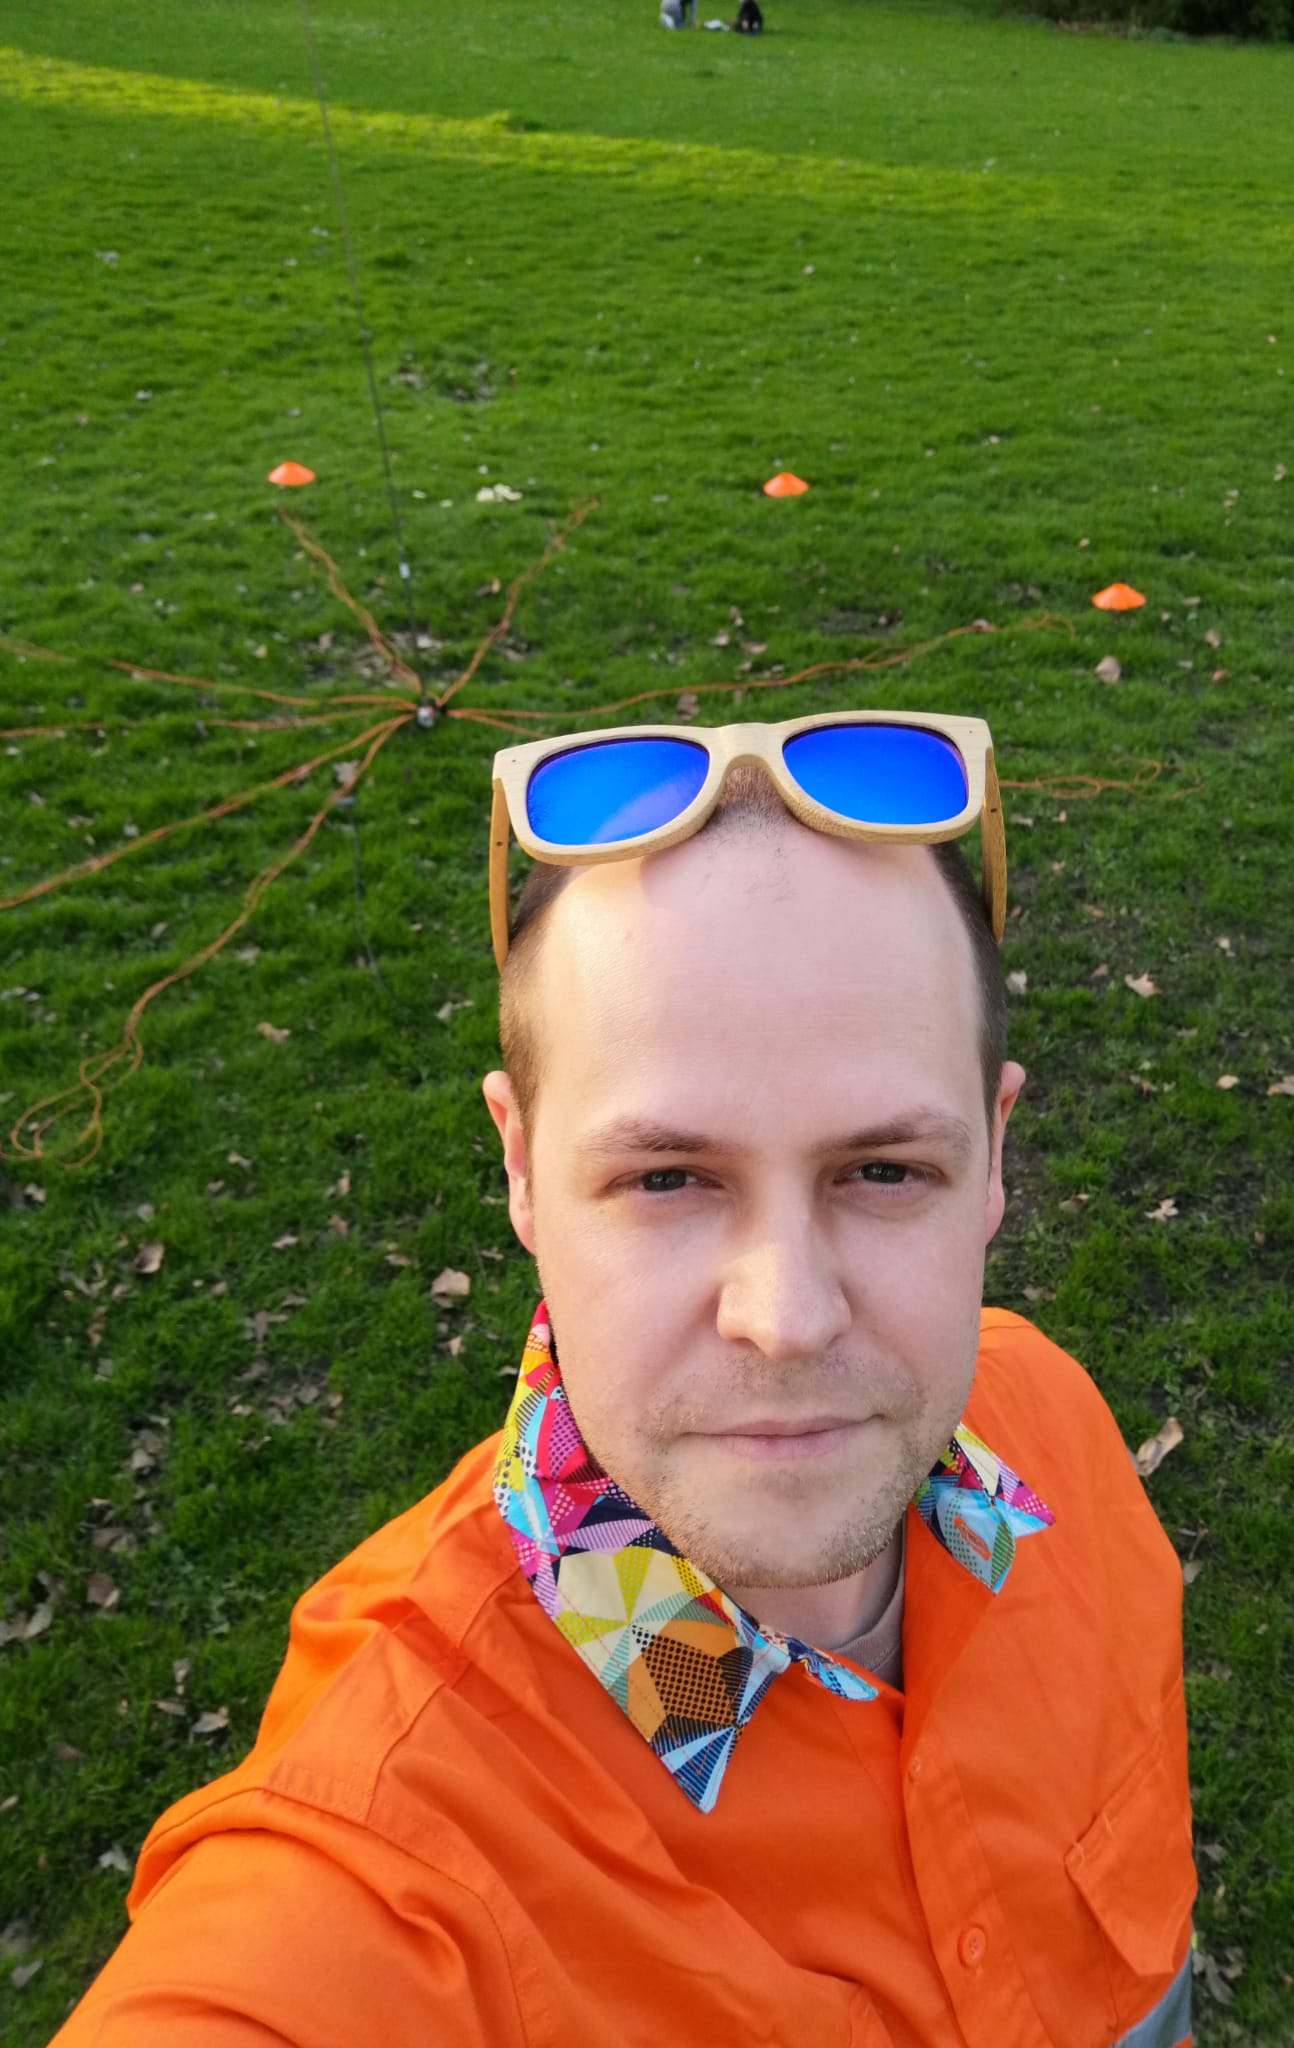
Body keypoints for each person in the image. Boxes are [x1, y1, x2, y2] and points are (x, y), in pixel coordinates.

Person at [49, 712, 1196, 2047]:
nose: (787, 1319)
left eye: (885, 1171)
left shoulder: (1054, 1420)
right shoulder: (384, 1855)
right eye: (666, 1180)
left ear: (994, 1159)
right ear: (522, 1171)